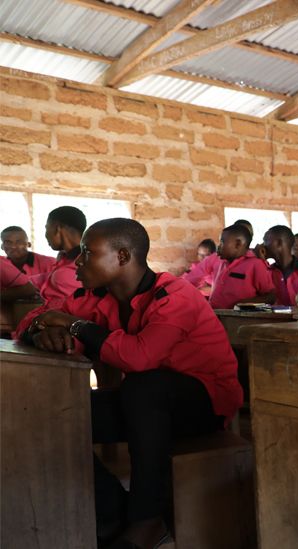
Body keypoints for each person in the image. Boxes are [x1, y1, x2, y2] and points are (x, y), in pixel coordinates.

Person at [20, 218, 242, 549]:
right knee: (56, 417)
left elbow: (139, 357)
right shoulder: (100, 298)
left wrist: (73, 325)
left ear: (122, 256)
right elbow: (40, 318)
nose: (78, 262)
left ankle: (148, 521)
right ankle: (114, 514)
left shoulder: (175, 296)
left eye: (86, 253)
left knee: (144, 385)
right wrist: (44, 331)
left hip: (205, 403)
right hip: (144, 408)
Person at [13, 206, 87, 338]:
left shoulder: (85, 263)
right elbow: (44, 278)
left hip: (60, 336)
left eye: (46, 228)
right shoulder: (64, 258)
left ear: (57, 228)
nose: (46, 235)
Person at [185, 224, 275, 309]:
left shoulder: (256, 264)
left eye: (222, 243)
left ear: (238, 244)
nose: (218, 247)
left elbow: (270, 297)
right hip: (215, 316)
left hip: (239, 320)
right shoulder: (219, 262)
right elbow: (192, 279)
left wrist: (243, 305)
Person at [263, 225, 298, 306]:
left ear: (279, 243)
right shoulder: (267, 271)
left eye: (266, 240)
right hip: (277, 318)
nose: (263, 245)